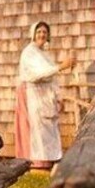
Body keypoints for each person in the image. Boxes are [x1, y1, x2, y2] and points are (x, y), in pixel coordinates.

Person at [14, 21, 76, 169]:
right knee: (36, 127)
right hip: (32, 92)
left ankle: (47, 160)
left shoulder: (45, 54)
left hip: (44, 94)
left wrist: (58, 96)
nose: (42, 35)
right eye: (39, 32)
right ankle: (35, 162)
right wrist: (61, 66)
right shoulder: (29, 52)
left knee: (48, 126)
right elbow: (38, 74)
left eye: (44, 32)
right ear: (33, 34)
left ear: (48, 36)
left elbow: (53, 77)